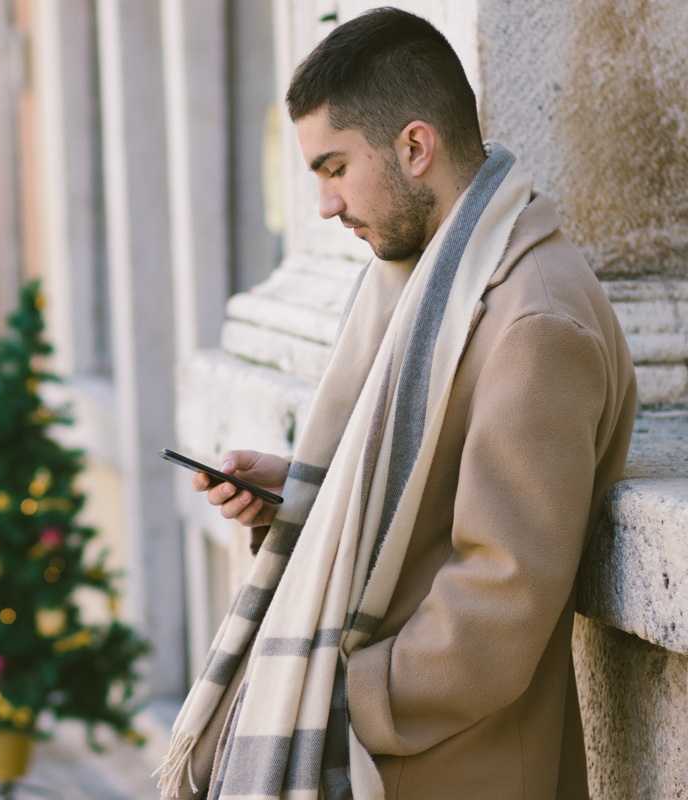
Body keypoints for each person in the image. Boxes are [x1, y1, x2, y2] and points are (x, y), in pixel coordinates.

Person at [157, 8, 635, 800]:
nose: (324, 205)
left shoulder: (532, 321)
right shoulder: (438, 287)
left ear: (415, 146)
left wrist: (348, 695)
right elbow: (419, 499)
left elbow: (501, 598)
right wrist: (302, 497)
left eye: (335, 168)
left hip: (451, 769)